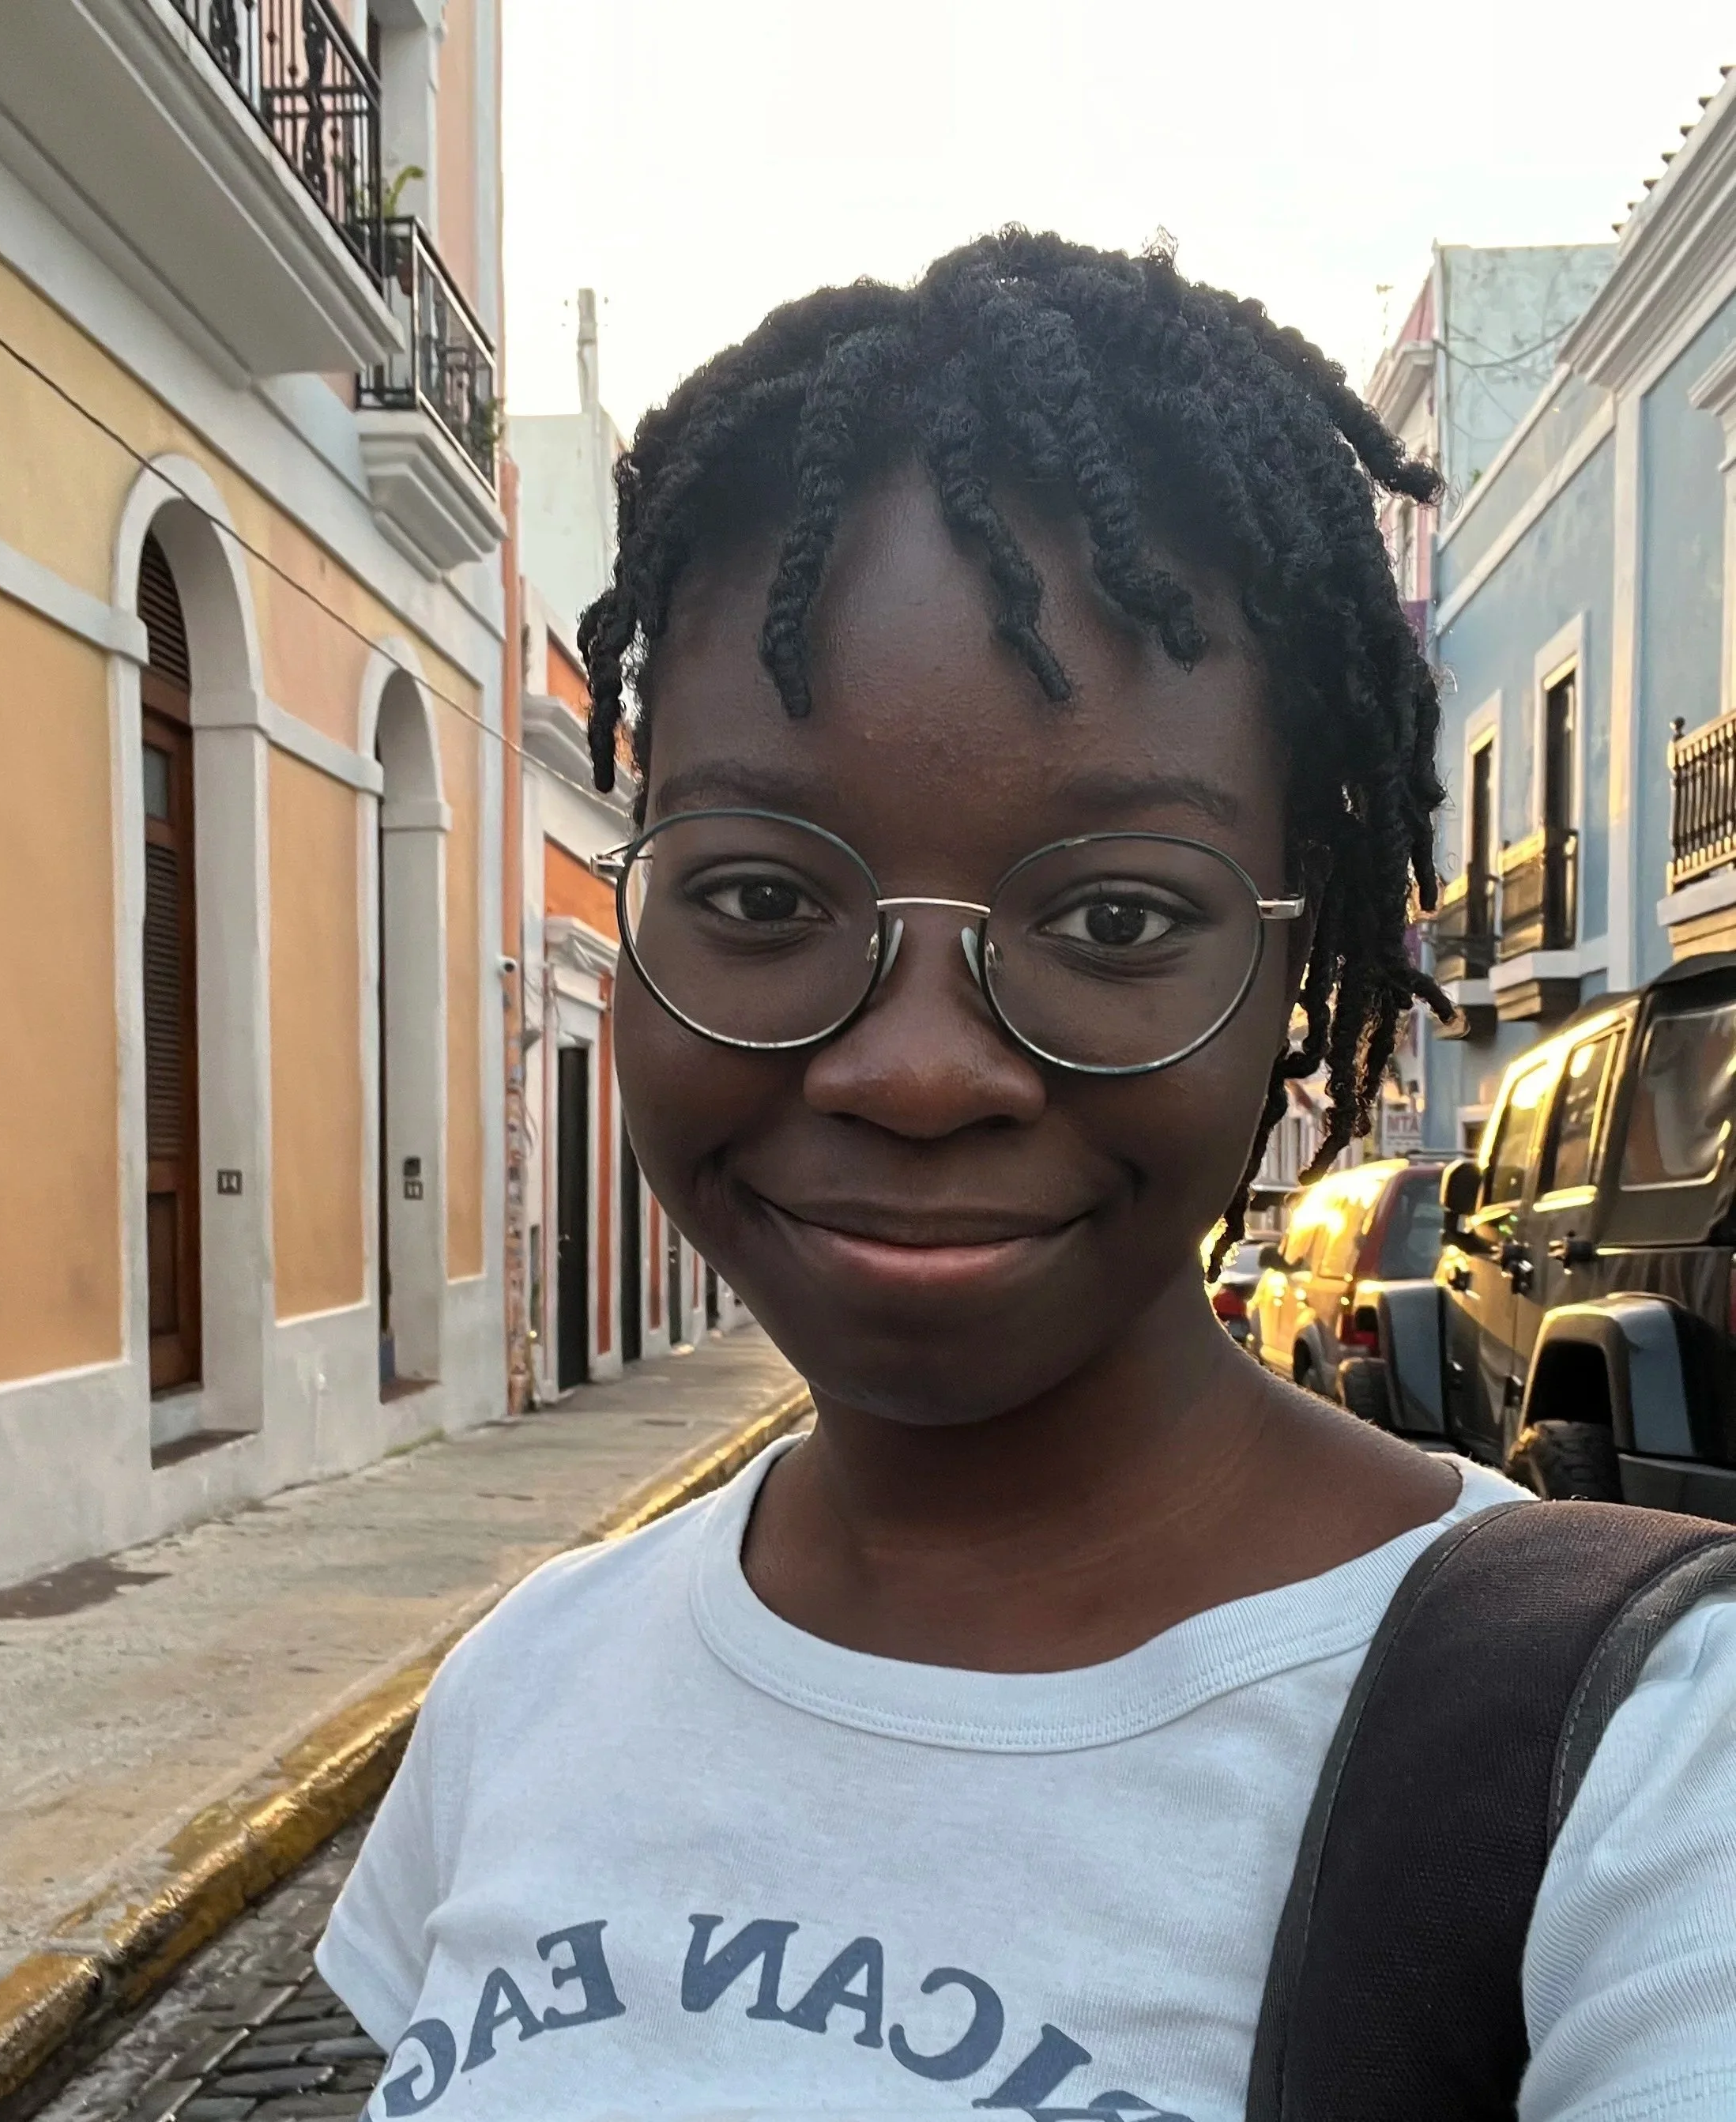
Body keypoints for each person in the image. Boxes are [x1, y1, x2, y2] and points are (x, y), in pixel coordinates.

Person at [316, 231, 1736, 2120]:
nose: (914, 1068)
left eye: (1119, 911)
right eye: (757, 893)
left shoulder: (1638, 1760)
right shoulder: (523, 1687)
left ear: (1299, 969)